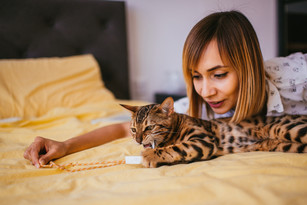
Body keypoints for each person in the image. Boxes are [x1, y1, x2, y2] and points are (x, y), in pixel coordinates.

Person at [24, 10, 307, 168]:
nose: (205, 91)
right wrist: (66, 144)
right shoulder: (191, 111)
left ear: (250, 67)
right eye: (196, 76)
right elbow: (124, 128)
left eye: (218, 74)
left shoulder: (294, 77)